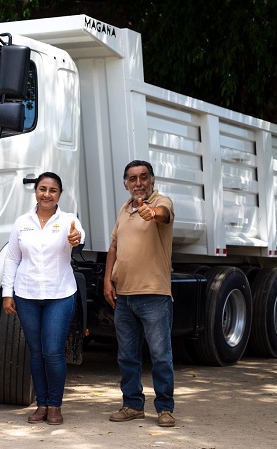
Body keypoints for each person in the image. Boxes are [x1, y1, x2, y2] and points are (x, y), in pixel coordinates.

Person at [1, 172, 85, 425]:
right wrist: (7, 293)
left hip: (60, 294)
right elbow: (12, 258)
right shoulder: (22, 222)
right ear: (35, 191)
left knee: (52, 351)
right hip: (26, 294)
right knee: (36, 352)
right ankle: (42, 405)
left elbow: (78, 237)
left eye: (53, 190)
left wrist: (76, 239)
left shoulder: (69, 220)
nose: (47, 194)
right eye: (42, 189)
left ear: (60, 194)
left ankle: (55, 406)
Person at [103, 159, 176, 428]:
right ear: (126, 184)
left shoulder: (161, 201)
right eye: (132, 179)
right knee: (127, 355)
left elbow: (163, 214)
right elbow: (113, 248)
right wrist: (107, 282)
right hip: (124, 296)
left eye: (143, 177)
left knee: (160, 355)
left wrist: (152, 213)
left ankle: (165, 409)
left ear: (152, 181)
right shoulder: (124, 210)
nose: (138, 183)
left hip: (154, 295)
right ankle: (132, 405)